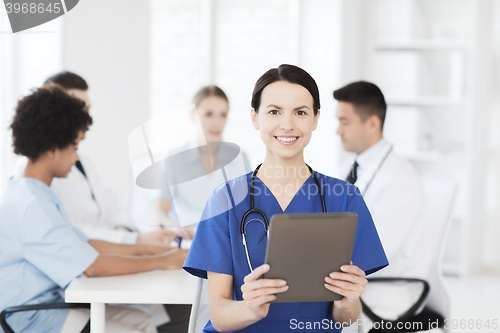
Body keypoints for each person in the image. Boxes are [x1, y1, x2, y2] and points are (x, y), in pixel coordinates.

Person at [182, 65, 389, 333]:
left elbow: (347, 318)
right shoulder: (225, 200)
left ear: (315, 119)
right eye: (274, 111)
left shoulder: (345, 199)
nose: (287, 124)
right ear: (255, 118)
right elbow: (219, 313)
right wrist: (249, 308)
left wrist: (348, 302)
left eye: (300, 112)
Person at [0, 85, 188, 333]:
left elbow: (87, 244)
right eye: (74, 147)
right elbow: (93, 266)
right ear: (51, 150)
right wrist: (163, 261)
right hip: (34, 317)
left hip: (53, 303)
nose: (77, 158)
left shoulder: (36, 193)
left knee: (145, 321)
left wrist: (151, 249)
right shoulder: (33, 204)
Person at [13, 71, 176, 245]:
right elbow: (67, 230)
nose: (84, 117)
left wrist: (123, 230)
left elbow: (108, 200)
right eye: (76, 107)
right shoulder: (35, 172)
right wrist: (131, 240)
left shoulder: (83, 160)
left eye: (87, 109)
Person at [333, 81, 430, 329]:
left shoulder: (399, 179)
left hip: (385, 291)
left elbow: (374, 253)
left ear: (373, 124)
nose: (338, 130)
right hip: (355, 283)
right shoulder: (352, 167)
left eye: (344, 122)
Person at [154, 85, 251, 239]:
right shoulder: (173, 159)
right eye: (208, 114)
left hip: (225, 240)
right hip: (187, 240)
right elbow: (159, 211)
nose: (216, 122)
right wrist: (174, 227)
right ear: (193, 115)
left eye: (223, 115)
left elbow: (247, 209)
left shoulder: (239, 158)